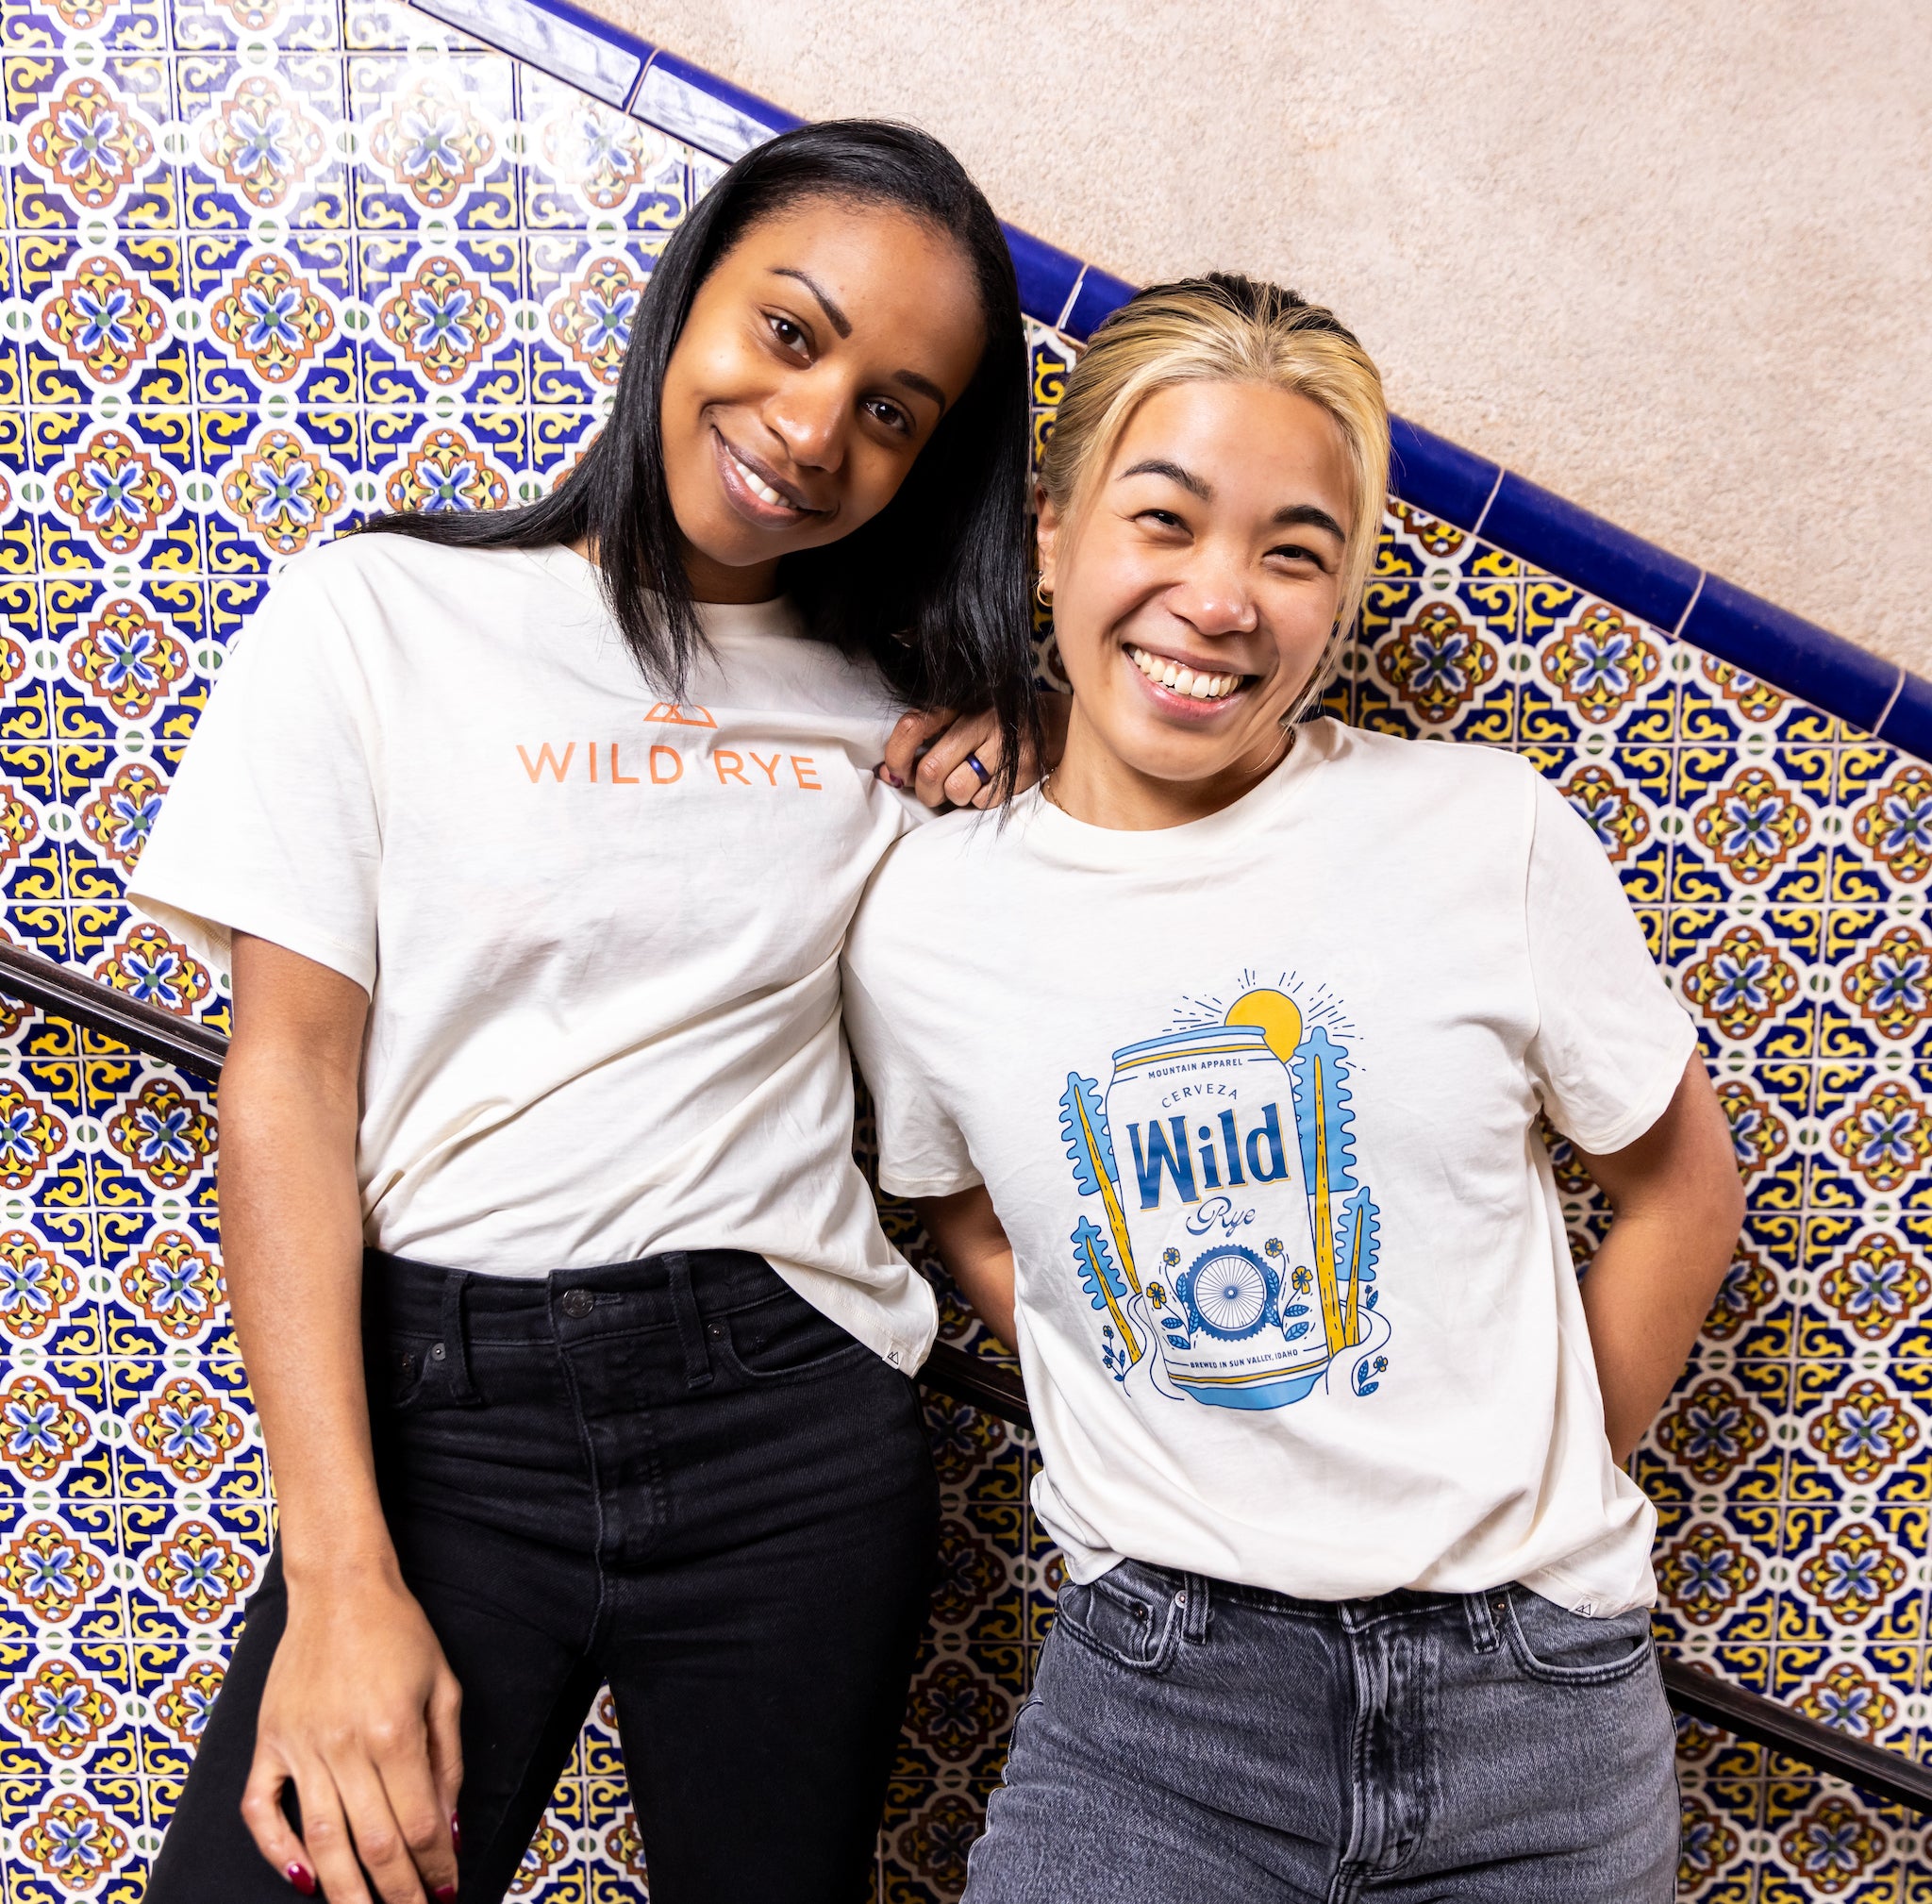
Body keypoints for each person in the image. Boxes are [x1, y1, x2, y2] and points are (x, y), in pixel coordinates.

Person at [130, 121, 1042, 1904]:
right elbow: (291, 1079)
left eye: (893, 410)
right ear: (687, 295)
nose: (814, 427)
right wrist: (338, 1574)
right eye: (792, 334)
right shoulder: (379, 616)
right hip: (442, 1416)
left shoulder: (899, 712)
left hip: (789, 1424)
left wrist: (1041, 741)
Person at [841, 274, 1743, 1903]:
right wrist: (1113, 1349)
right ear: (1051, 534)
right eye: (1164, 519)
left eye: (1293, 551)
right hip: (1159, 1712)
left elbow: (1680, 1182)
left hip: (1537, 1722)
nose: (1220, 596)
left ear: (1340, 600)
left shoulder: (1485, 831)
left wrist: (1538, 1485)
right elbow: (954, 1198)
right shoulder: (926, 918)